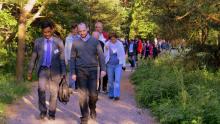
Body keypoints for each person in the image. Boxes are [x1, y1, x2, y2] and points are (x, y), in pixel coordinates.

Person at [27, 20, 66, 120]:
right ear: (42, 31)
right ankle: (43, 111)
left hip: (55, 71)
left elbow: (62, 58)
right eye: (45, 32)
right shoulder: (38, 42)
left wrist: (64, 73)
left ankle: (52, 113)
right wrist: (30, 71)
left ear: (52, 30)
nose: (47, 34)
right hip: (43, 70)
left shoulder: (58, 42)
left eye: (49, 32)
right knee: (41, 90)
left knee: (54, 93)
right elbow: (34, 57)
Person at [70, 23, 106, 124]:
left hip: (93, 70)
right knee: (82, 95)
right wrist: (73, 72)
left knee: (93, 95)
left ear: (88, 29)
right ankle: (84, 117)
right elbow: (72, 58)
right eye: (80, 31)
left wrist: (103, 69)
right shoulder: (75, 43)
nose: (82, 33)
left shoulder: (95, 42)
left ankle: (93, 108)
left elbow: (101, 55)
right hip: (80, 71)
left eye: (83, 31)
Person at [104, 32, 126, 100]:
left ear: (116, 38)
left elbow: (122, 55)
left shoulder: (120, 44)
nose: (113, 40)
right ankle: (111, 94)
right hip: (110, 65)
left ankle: (116, 95)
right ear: (110, 39)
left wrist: (124, 64)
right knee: (110, 80)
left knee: (117, 80)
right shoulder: (107, 44)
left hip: (118, 65)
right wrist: (106, 49)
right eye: (111, 39)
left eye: (114, 39)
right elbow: (104, 55)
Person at [95, 21, 109, 92]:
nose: (97, 29)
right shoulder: (93, 35)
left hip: (105, 57)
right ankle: (97, 87)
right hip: (96, 57)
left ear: (102, 28)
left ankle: (104, 87)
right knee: (97, 72)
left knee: (105, 72)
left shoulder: (106, 36)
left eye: (99, 27)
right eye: (96, 27)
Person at [64, 23, 79, 89]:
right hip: (70, 58)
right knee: (71, 72)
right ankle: (71, 86)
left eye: (76, 29)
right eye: (74, 29)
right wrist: (66, 59)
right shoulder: (68, 38)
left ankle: (77, 85)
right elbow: (66, 49)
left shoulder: (80, 37)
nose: (75, 31)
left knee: (78, 71)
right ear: (72, 30)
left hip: (78, 58)